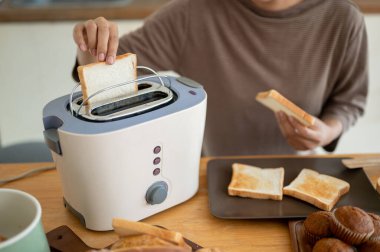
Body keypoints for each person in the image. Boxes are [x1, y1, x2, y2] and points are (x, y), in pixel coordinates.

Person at [72, 0, 368, 156]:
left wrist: (327, 131)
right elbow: (104, 75)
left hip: (301, 173)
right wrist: (92, 43)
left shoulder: (342, 18)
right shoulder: (193, 13)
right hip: (209, 174)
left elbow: (350, 100)